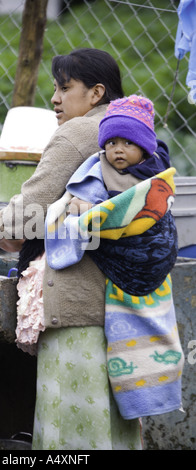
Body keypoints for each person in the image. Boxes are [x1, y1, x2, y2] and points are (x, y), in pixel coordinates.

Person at [0, 48, 169, 450]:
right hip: (120, 308)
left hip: (76, 308)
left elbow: (31, 208)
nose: (55, 99)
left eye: (64, 88)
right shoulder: (131, 138)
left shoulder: (79, 133)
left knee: (70, 427)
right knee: (111, 427)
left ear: (96, 93)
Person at [44, 95, 184, 421]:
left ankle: (158, 387)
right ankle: (138, 392)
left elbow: (157, 206)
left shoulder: (156, 172)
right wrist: (82, 212)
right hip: (118, 259)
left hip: (152, 258)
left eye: (128, 142)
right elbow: (81, 202)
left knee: (156, 328)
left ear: (145, 147)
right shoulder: (98, 169)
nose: (117, 150)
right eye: (112, 142)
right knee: (128, 337)